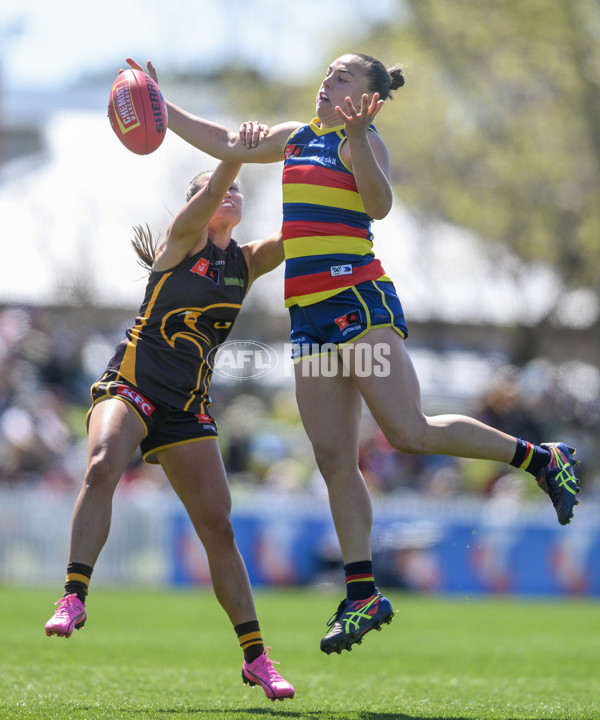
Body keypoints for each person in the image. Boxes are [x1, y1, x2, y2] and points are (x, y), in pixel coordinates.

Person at [126, 52, 581, 656]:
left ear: (366, 98)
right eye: (329, 73)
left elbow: (378, 205)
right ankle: (362, 591)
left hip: (357, 304)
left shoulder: (357, 143)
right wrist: (160, 102)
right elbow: (222, 140)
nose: (327, 80)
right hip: (310, 320)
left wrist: (363, 136)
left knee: (409, 431)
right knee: (334, 458)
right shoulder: (294, 139)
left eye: (343, 77)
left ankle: (543, 460)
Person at [44, 157, 295, 701]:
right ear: (196, 201)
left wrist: (343, 174)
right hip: (131, 384)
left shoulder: (244, 263)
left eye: (234, 190)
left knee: (219, 528)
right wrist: (233, 156)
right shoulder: (182, 239)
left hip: (186, 406)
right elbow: (207, 198)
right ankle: (74, 594)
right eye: (214, 189)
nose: (228, 194)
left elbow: (301, 234)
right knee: (101, 464)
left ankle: (256, 658)